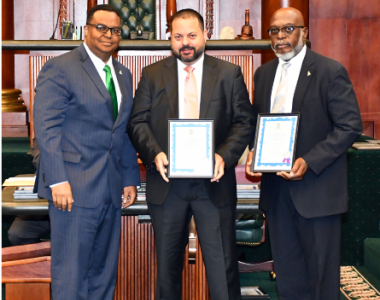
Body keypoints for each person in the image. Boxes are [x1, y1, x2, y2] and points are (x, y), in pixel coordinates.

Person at [128, 9, 254, 300]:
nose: (185, 42)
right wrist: (154, 153)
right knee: (166, 274)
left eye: (192, 35)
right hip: (168, 184)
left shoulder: (228, 73)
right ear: (170, 39)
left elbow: (244, 121)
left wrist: (224, 155)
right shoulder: (152, 74)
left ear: (205, 36)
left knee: (223, 271)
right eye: (178, 36)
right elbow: (137, 122)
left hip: (214, 184)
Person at [245, 7, 362, 300]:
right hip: (277, 193)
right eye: (274, 30)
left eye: (288, 29)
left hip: (318, 193)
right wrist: (253, 152)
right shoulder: (263, 74)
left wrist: (309, 161)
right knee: (288, 275)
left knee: (321, 278)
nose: (280, 37)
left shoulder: (329, 70)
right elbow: (258, 124)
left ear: (304, 33)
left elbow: (350, 126)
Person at [33, 5, 140, 300]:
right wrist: (57, 181)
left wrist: (130, 178)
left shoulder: (123, 73)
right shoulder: (61, 67)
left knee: (103, 274)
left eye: (115, 30)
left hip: (110, 189)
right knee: (71, 276)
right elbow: (46, 129)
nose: (108, 35)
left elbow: (122, 131)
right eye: (101, 28)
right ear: (86, 30)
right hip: (72, 189)